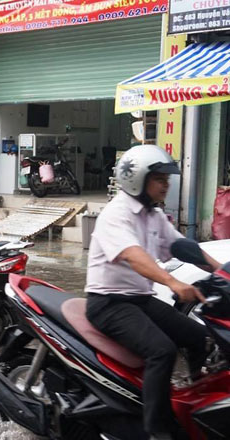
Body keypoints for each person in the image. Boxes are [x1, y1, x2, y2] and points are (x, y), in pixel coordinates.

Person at [84, 144, 220, 439]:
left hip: (139, 300)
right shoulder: (116, 214)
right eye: (160, 179)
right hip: (108, 303)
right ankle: (157, 429)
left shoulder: (153, 215)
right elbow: (134, 255)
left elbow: (180, 246)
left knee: (199, 337)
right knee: (162, 350)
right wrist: (173, 283)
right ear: (137, 179)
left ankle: (192, 402)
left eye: (167, 179)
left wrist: (220, 270)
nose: (166, 185)